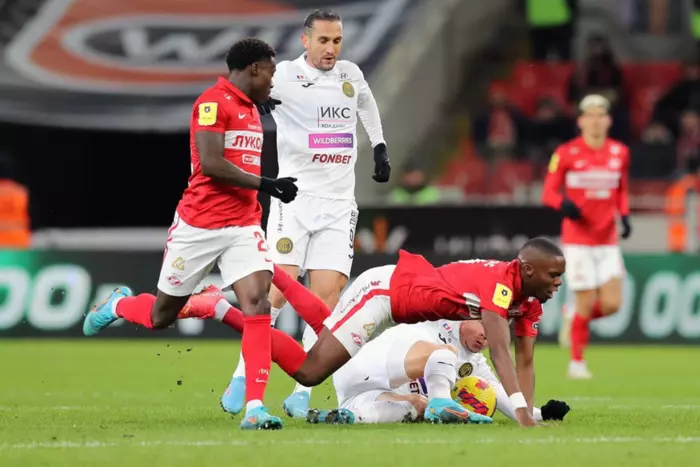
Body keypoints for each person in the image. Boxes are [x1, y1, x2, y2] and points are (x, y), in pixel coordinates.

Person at [82, 38, 299, 430]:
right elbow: (212, 164)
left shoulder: (251, 107)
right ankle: (118, 306)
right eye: (270, 71)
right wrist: (268, 184)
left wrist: (258, 105)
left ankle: (254, 408)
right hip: (199, 226)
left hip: (243, 226)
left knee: (258, 306)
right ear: (253, 68)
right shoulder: (211, 103)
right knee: (161, 315)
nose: (273, 80)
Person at [184, 237, 566, 427]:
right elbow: (500, 351)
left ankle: (245, 291)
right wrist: (523, 413)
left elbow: (524, 360)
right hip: (383, 293)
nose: (558, 283)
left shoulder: (529, 301)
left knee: (323, 325)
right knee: (310, 370)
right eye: (553, 275)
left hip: (398, 308)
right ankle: (220, 308)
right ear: (527, 270)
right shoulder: (501, 284)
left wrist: (529, 412)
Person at [224, 9, 390, 418]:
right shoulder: (281, 76)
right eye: (324, 41)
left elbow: (366, 104)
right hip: (294, 201)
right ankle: (243, 373)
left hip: (339, 206)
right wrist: (255, 102)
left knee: (325, 300)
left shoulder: (350, 75)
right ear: (305, 41)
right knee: (276, 292)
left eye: (337, 41)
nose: (331, 49)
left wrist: (379, 146)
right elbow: (238, 88)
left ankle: (302, 392)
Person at [309, 319, 571, 424]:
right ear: (469, 314)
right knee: (444, 354)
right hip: (364, 365)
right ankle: (441, 404)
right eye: (485, 327)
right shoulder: (436, 317)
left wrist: (541, 414)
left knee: (416, 407)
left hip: (365, 393)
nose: (486, 338)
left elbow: (498, 393)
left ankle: (346, 416)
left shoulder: (475, 360)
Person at [542, 94, 631, 380]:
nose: (595, 120)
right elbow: (548, 192)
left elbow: (621, 190)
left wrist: (624, 215)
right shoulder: (566, 153)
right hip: (578, 241)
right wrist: (563, 204)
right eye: (590, 115)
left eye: (600, 115)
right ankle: (577, 363)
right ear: (580, 121)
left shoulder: (620, 152)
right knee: (586, 301)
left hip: (607, 240)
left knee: (612, 304)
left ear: (608, 120)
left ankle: (573, 318)